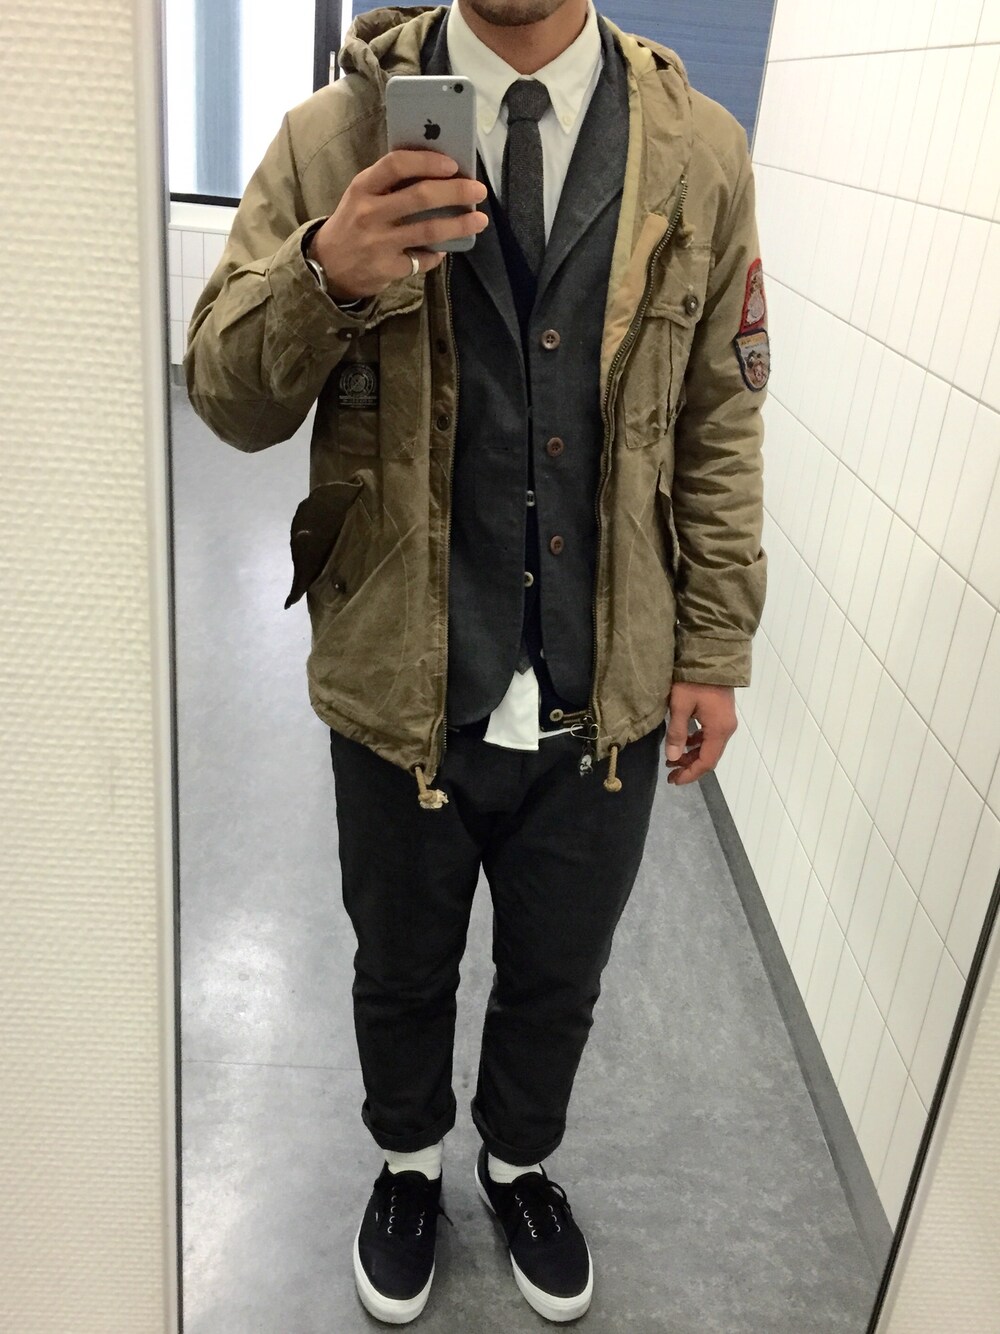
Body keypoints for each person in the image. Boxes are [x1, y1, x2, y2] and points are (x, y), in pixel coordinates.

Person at [185, 0, 768, 1323]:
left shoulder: (702, 153)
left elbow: (721, 420)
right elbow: (224, 395)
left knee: (560, 969)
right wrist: (326, 274)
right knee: (399, 963)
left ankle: (517, 1163)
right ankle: (406, 1163)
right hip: (403, 678)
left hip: (605, 681)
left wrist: (715, 643)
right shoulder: (330, 139)